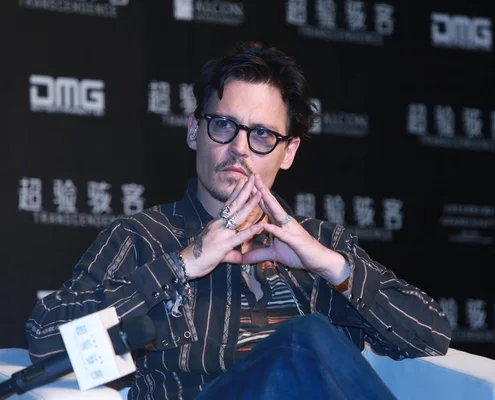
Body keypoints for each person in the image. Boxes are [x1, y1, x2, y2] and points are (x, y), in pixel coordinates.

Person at [25, 40, 452, 399]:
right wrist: (181, 264)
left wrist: (330, 266)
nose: (240, 148)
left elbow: (431, 335)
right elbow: (45, 342)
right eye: (224, 125)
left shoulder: (323, 242)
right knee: (307, 340)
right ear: (195, 130)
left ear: (289, 153)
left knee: (310, 339)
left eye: (263, 135)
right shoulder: (143, 239)